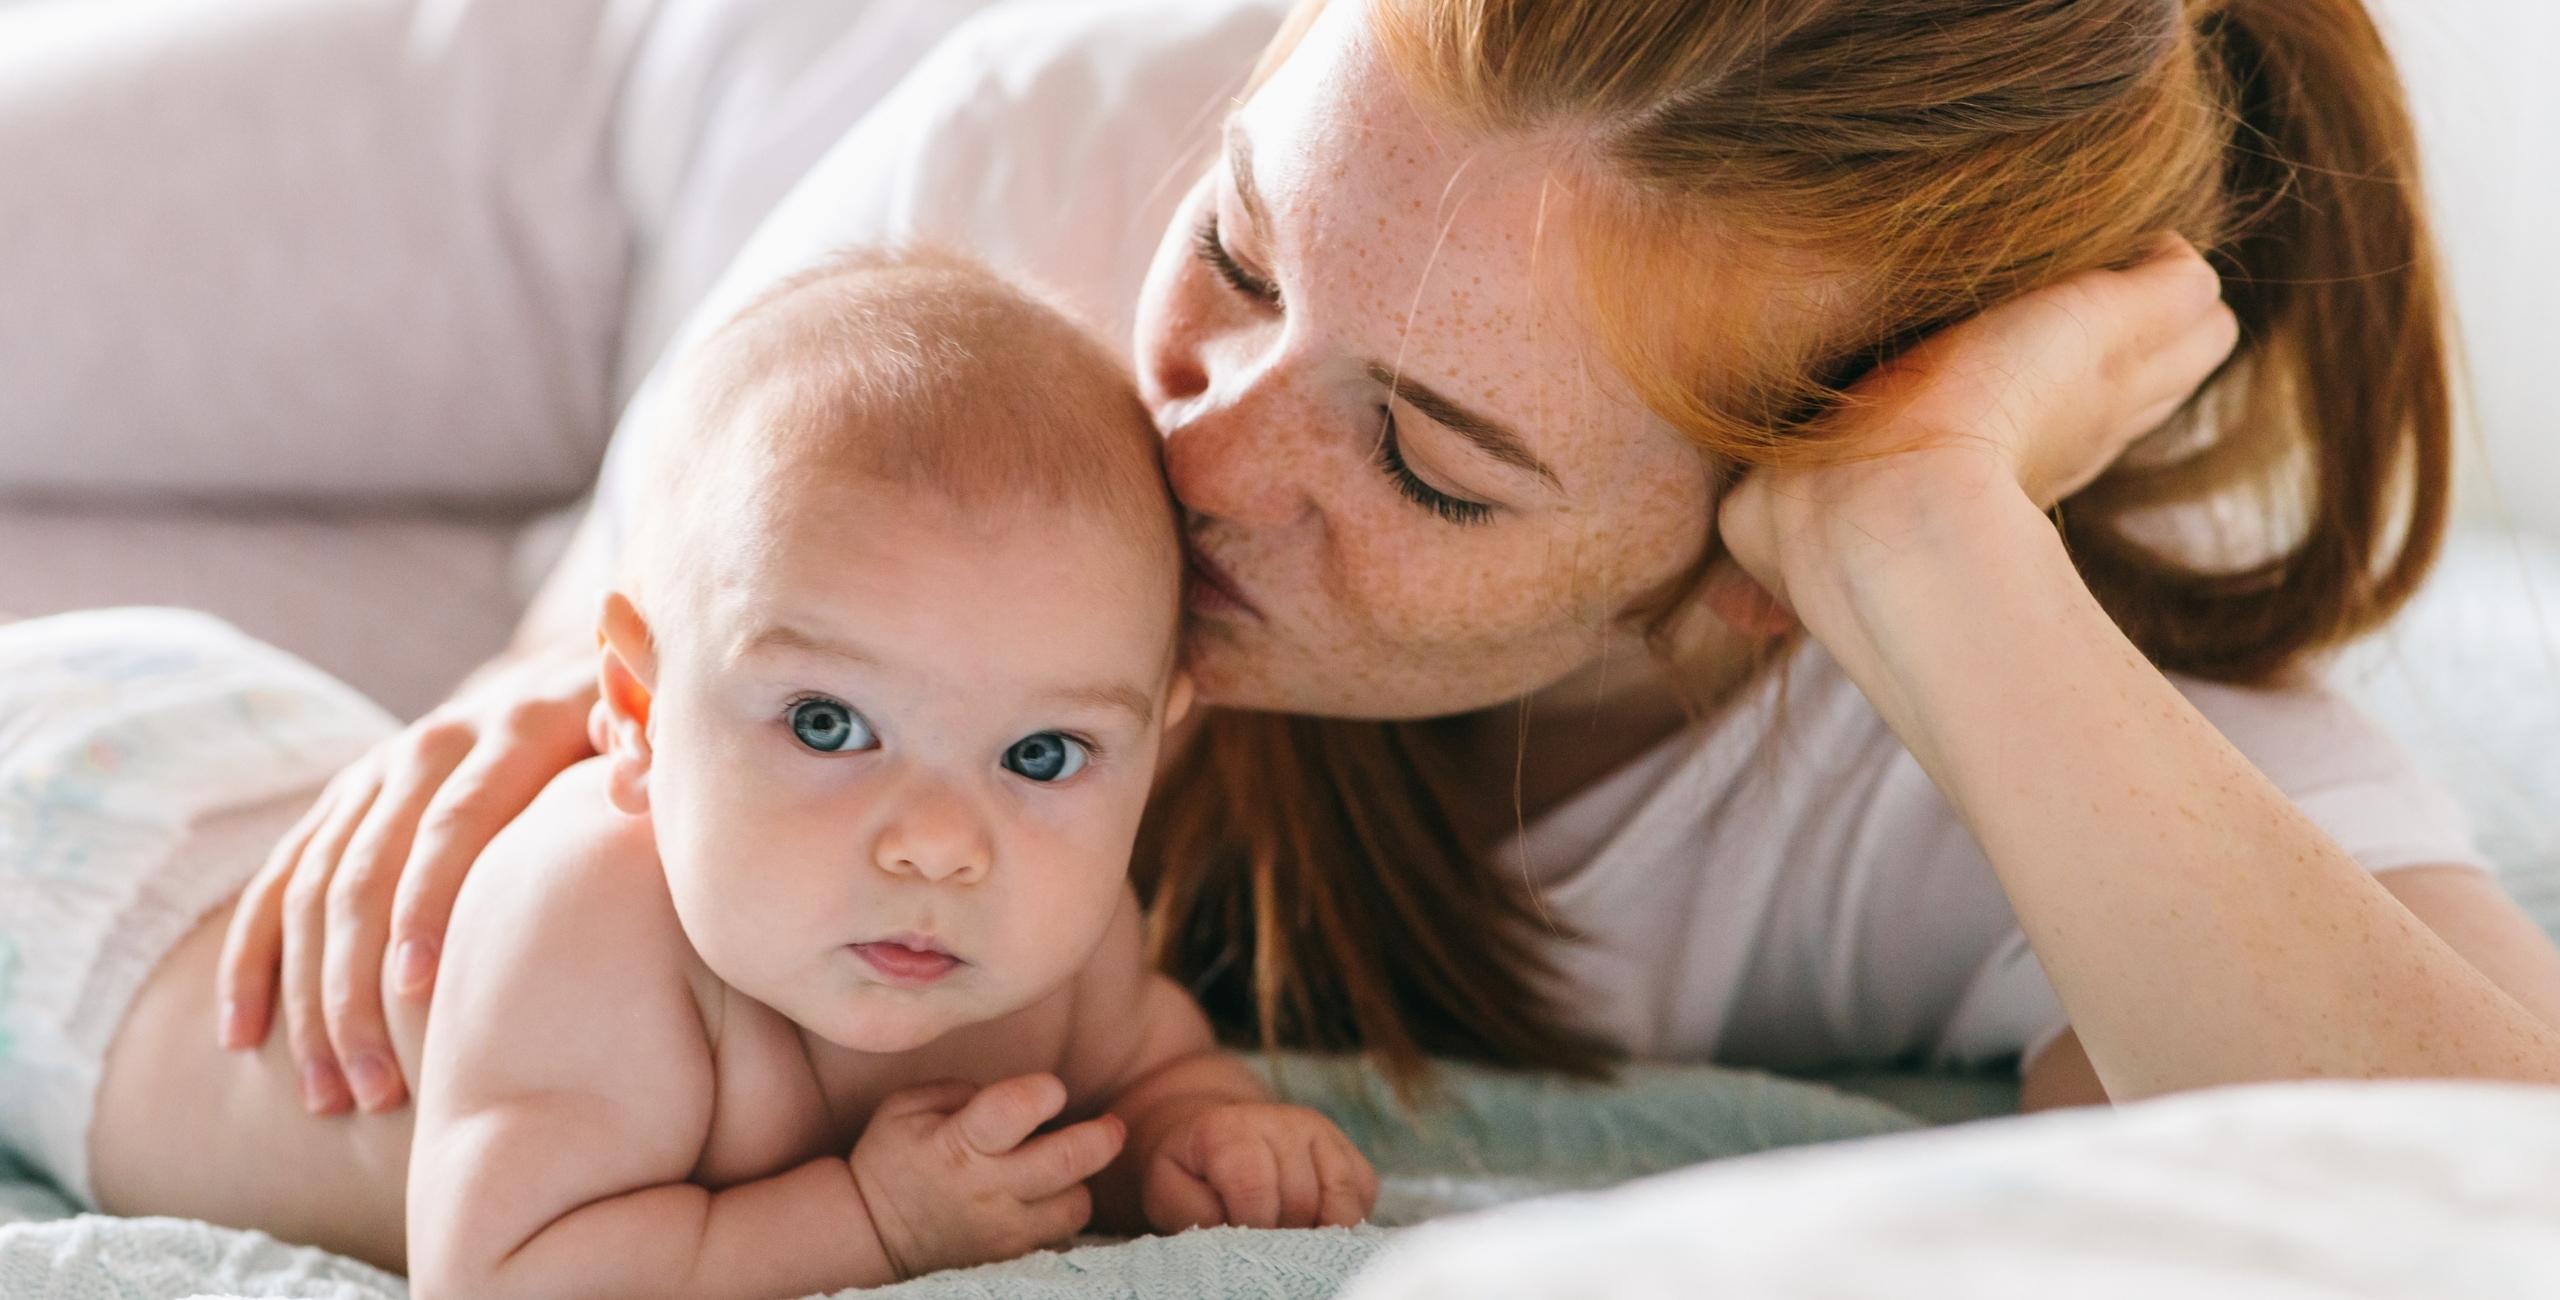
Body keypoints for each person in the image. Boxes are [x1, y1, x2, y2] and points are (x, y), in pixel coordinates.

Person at [14, 0, 2560, 1147]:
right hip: (613, 174)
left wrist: (1921, 545)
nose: (1197, 443)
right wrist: (530, 679)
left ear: (1758, 573)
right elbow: (608, 659)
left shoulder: (1971, 675)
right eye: (1243, 261)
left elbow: (2486, 1175)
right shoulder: (1076, 145)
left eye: (1429, 467)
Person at [0, 251, 1376, 1294]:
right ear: (637, 711)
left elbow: (1143, 1062)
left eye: (1041, 754)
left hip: (260, 763)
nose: (941, 843)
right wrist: (871, 1223)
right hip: (83, 891)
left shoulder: (1051, 932)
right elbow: (505, 1271)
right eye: (830, 725)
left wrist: (1202, 1134)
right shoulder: (589, 931)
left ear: (1157, 739)